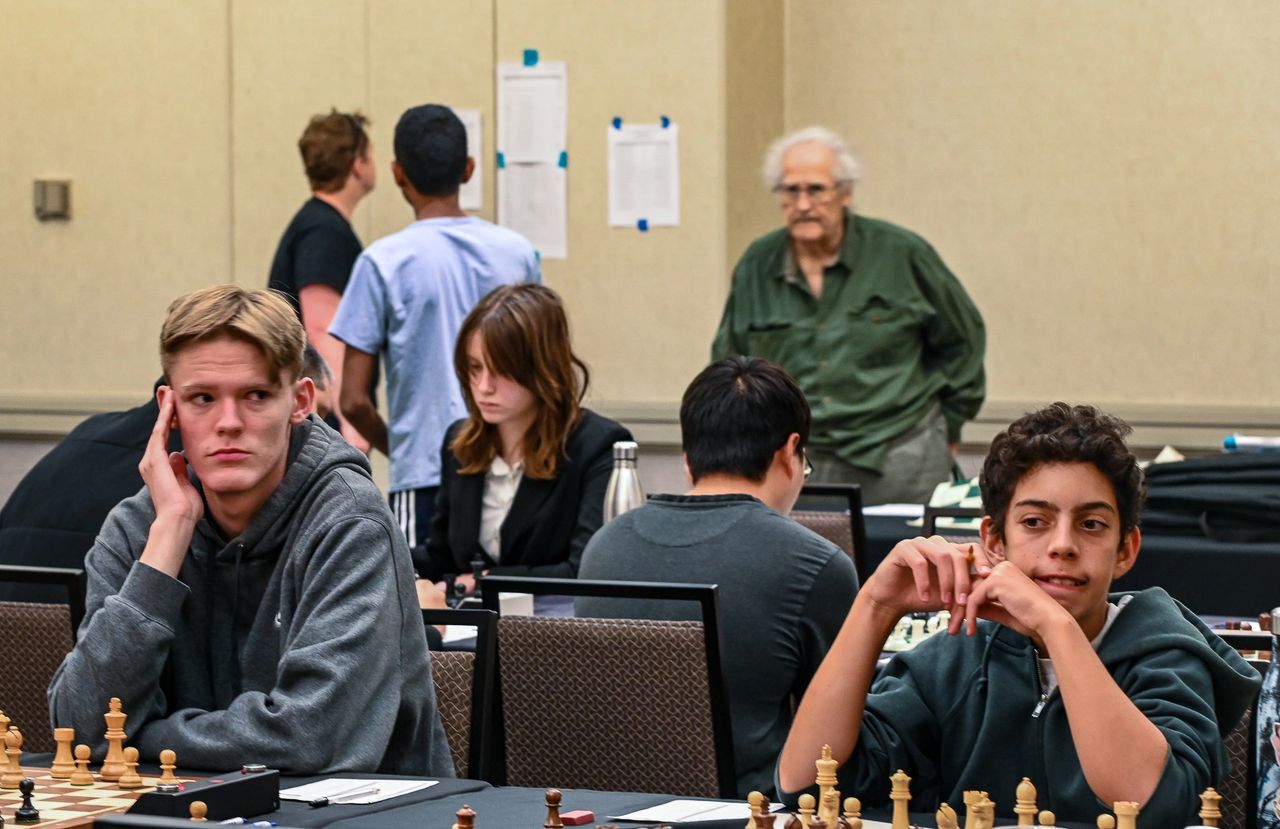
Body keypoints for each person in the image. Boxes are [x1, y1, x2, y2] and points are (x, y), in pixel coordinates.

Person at [778, 403, 1261, 826]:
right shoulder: (951, 659)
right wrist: (874, 606)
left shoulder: (1167, 656)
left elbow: (1152, 804)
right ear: (992, 540)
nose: (1063, 545)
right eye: (1035, 522)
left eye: (1092, 525)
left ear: (1125, 549)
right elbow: (806, 786)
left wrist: (1054, 626)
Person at [48, 285, 452, 776]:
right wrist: (170, 537)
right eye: (202, 399)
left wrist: (144, 737)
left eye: (256, 395)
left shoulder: (350, 522)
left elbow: (308, 739)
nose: (229, 423)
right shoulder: (141, 527)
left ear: (301, 400)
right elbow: (80, 729)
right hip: (187, 811)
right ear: (168, 409)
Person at [577, 356, 859, 798]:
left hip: (600, 809)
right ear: (790, 452)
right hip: (756, 813)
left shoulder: (603, 548)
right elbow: (840, 734)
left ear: (688, 459)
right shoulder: (816, 565)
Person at [712, 127, 985, 505]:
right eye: (791, 190)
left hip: (901, 456)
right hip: (796, 463)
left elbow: (963, 341)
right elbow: (731, 365)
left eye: (816, 189)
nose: (803, 203)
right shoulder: (757, 265)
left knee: (914, 563)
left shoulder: (902, 254)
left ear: (846, 192)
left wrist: (950, 426)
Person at [331, 103, 540, 557]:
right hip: (514, 470)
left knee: (424, 612)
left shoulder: (382, 262)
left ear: (397, 173)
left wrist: (400, 447)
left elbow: (352, 399)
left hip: (422, 474)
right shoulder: (518, 253)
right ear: (469, 169)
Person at [0, 342, 331, 603]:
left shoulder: (86, 433)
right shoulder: (198, 481)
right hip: (87, 661)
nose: (316, 431)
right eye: (204, 397)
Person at [423, 283, 631, 588]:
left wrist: (484, 582)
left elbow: (585, 571)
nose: (483, 387)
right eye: (475, 368)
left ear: (541, 368)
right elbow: (439, 557)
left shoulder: (597, 445)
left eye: (501, 371)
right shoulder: (459, 443)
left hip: (554, 628)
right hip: (468, 629)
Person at [268, 109, 377, 451]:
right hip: (323, 422)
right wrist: (351, 419)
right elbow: (322, 327)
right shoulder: (323, 231)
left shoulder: (321, 225)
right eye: (371, 154)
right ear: (358, 164)